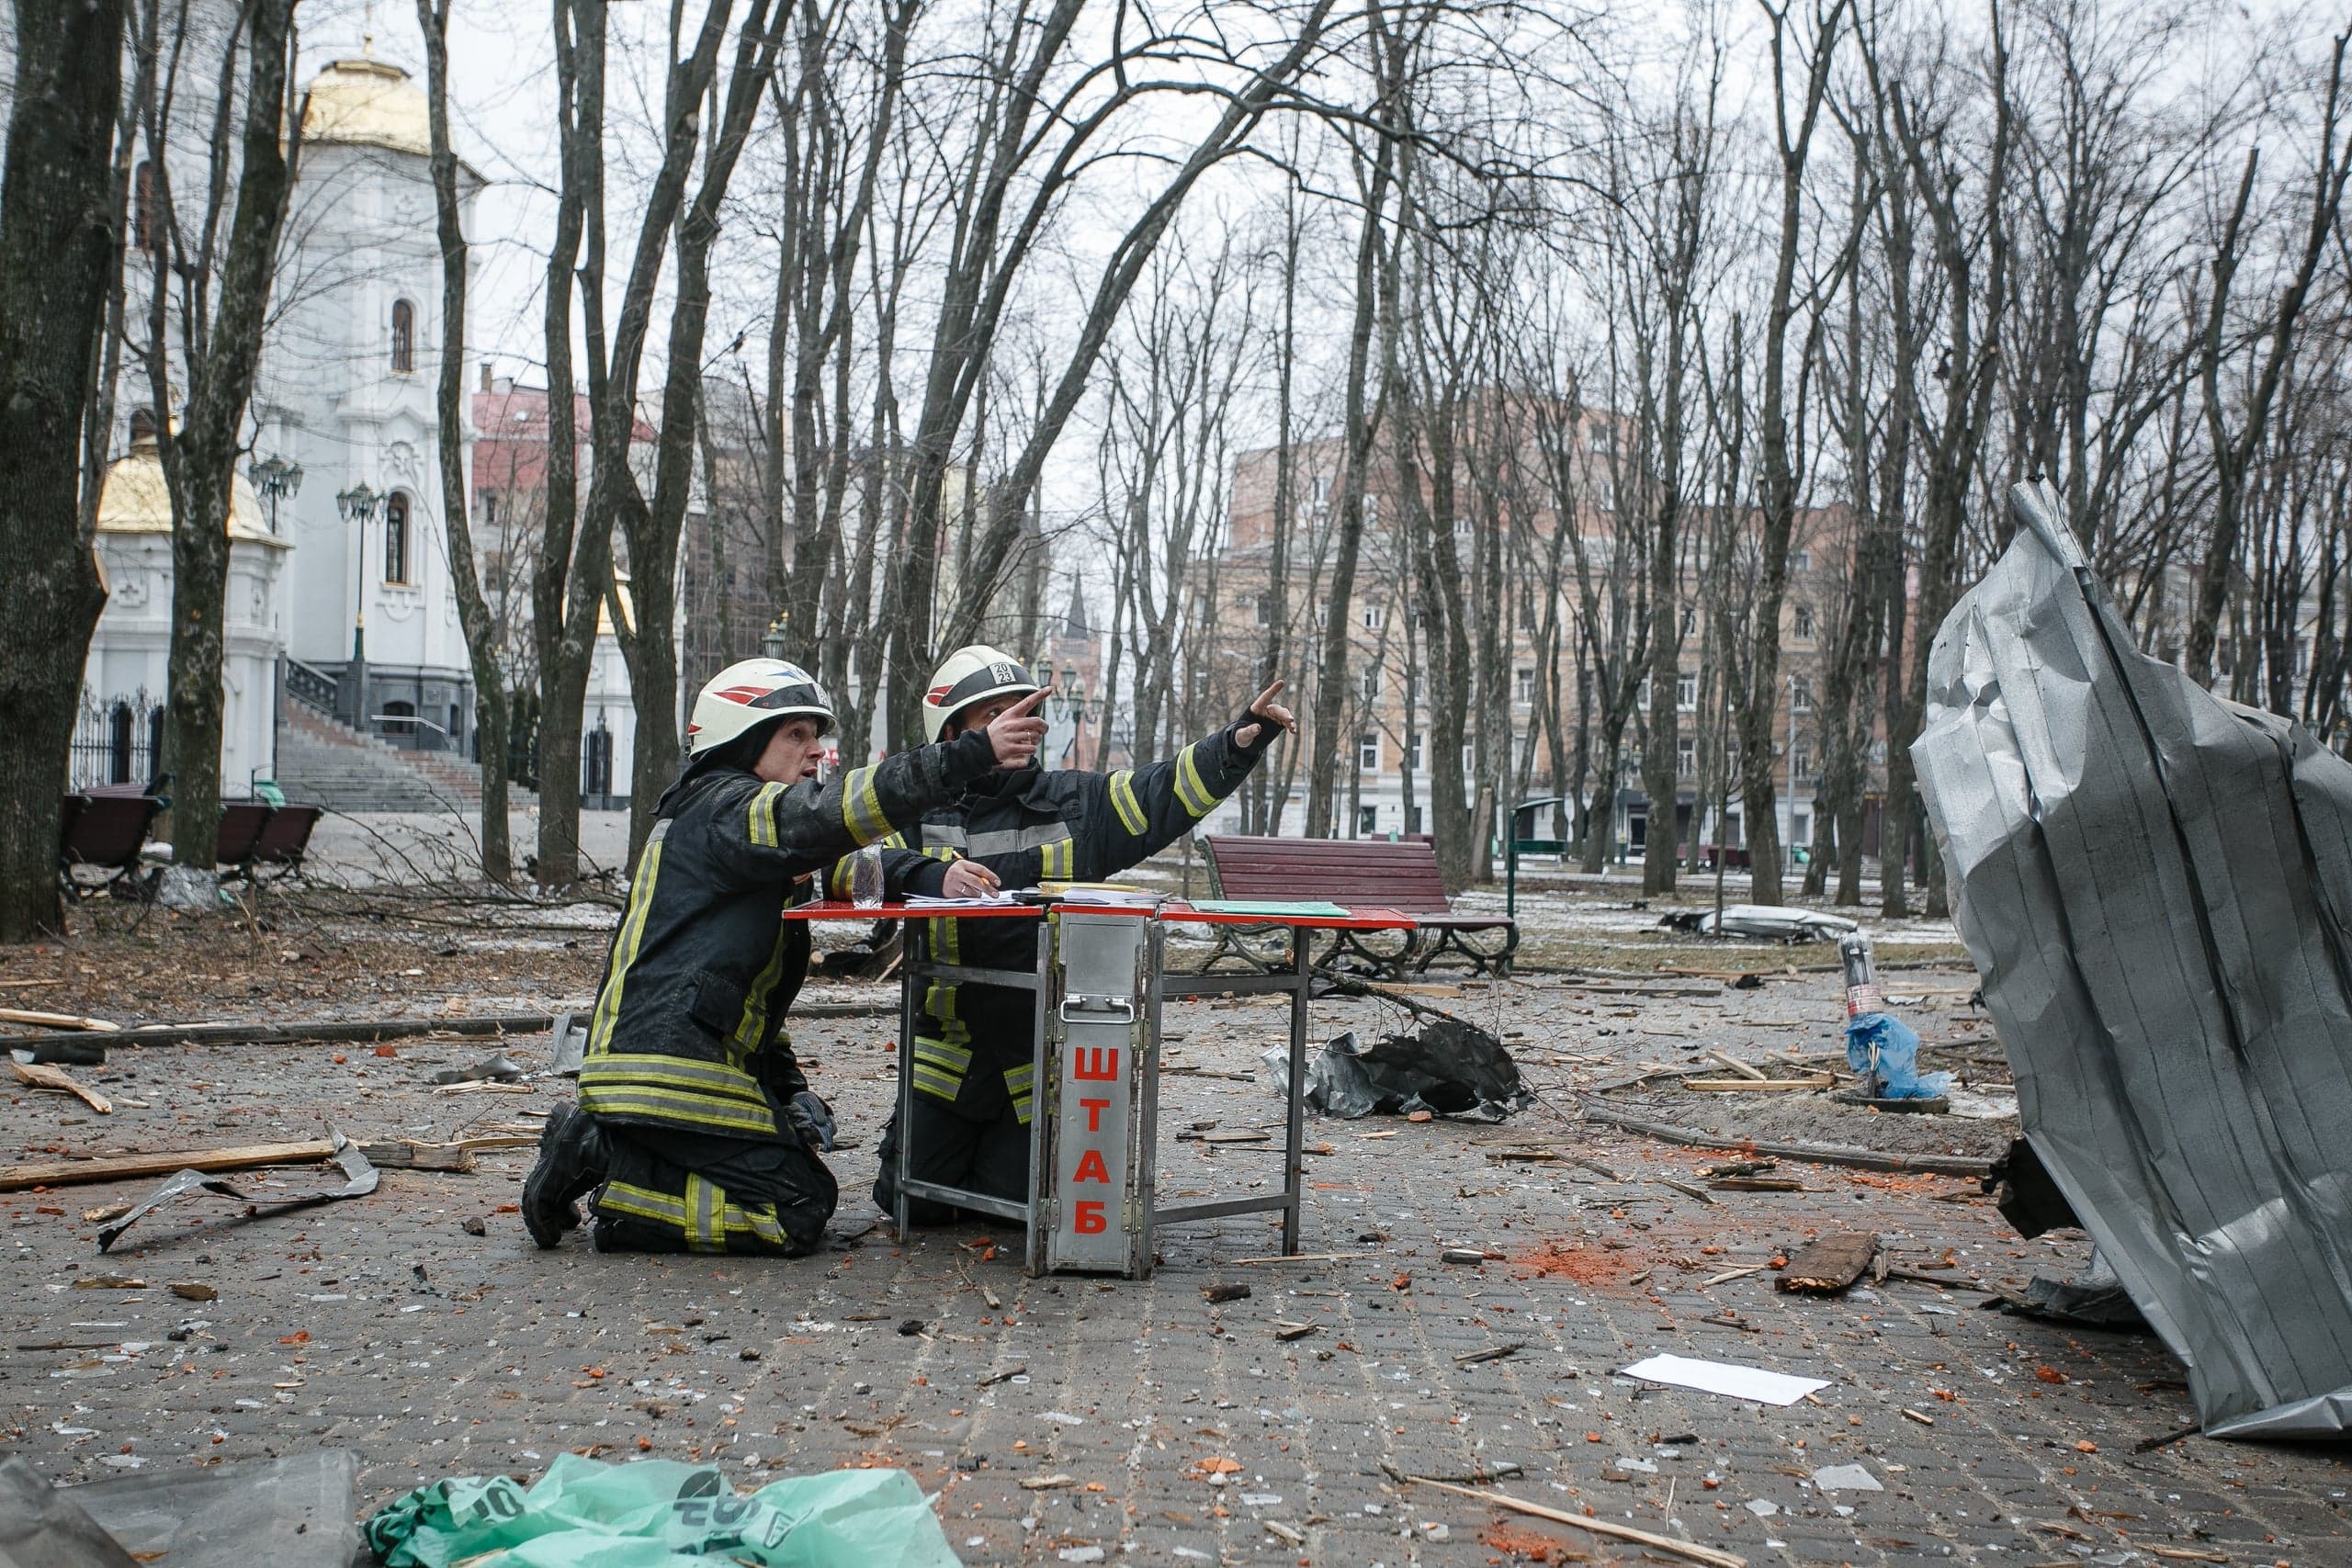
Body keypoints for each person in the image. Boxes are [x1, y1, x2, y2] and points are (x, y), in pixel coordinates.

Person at [522, 658, 1044, 1255]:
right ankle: (606, 1159)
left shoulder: (742, 834)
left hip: (677, 1061)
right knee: (796, 1208)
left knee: (797, 1162)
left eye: (816, 734)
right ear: (742, 739)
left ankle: (625, 1160)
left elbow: (823, 896)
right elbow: (832, 816)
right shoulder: (731, 809)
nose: (816, 750)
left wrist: (933, 874)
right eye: (796, 734)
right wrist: (972, 752)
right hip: (666, 1071)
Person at [872, 645, 1294, 1223]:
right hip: (949, 1052)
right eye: (992, 717)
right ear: (951, 734)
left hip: (1034, 1053)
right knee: (908, 1207)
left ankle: (1017, 1148)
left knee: (1009, 1210)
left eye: (1019, 712)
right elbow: (859, 865)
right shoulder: (912, 807)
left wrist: (1238, 743)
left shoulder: (1076, 803)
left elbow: (1160, 793)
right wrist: (930, 874)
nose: (1014, 727)